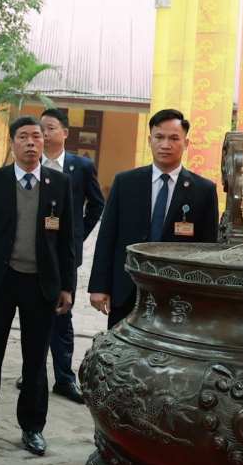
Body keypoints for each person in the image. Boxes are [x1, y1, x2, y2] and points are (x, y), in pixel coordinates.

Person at [0, 116, 75, 456]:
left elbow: (67, 240)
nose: (30, 143)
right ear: (12, 143)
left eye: (36, 137)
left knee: (35, 360)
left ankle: (32, 427)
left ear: (45, 142)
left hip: (41, 284)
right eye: (23, 137)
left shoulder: (59, 183)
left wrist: (67, 286)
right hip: (0, 280)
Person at [89, 108, 220, 327]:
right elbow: (107, 237)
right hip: (126, 288)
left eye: (174, 138)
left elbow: (207, 250)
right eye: (159, 137)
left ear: (186, 144)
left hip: (177, 296)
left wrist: (201, 297)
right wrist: (99, 286)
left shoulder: (203, 190)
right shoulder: (125, 182)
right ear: (149, 140)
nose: (165, 144)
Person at [27, 108, 105, 404]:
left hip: (64, 257)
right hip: (32, 252)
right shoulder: (30, 164)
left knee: (62, 314)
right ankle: (31, 372)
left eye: (49, 128)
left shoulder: (80, 167)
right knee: (33, 313)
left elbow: (96, 205)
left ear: (65, 133)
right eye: (40, 129)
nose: (43, 134)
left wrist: (76, 236)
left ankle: (64, 378)